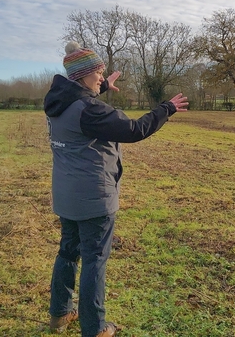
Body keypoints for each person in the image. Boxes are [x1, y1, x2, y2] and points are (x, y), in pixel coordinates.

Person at [44, 41, 189, 337]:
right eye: (98, 72)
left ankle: (59, 314)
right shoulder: (89, 110)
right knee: (95, 259)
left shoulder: (57, 101)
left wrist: (103, 88)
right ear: (83, 76)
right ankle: (95, 327)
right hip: (93, 198)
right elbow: (134, 130)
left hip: (65, 195)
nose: (102, 76)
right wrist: (167, 108)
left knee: (68, 253)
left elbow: (82, 105)